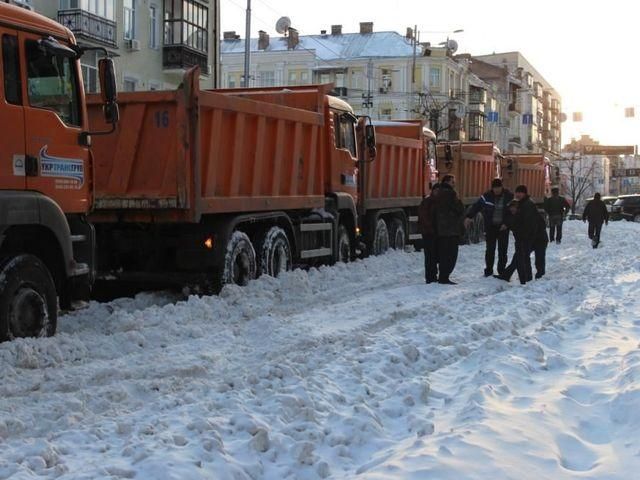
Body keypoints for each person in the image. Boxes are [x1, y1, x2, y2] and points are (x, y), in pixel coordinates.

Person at [464, 178, 513, 277]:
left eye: (498, 188)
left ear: (501, 187)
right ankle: (489, 270)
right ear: (492, 188)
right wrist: (469, 216)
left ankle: (501, 270)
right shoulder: (486, 197)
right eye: (495, 188)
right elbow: (476, 206)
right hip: (491, 227)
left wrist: (507, 224)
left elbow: (512, 213)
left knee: (503, 250)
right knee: (490, 249)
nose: (497, 190)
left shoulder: (509, 197)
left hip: (503, 228)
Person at [495, 186, 540, 284]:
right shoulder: (522, 203)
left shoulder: (527, 205)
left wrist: (523, 234)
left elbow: (527, 223)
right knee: (521, 258)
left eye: (520, 192)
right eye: (517, 192)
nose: (518, 194)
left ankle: (525, 280)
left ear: (524, 193)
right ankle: (518, 277)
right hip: (523, 236)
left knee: (522, 259)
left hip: (525, 237)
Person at [434, 174, 465, 285]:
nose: (454, 184)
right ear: (448, 182)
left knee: (442, 254)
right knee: (451, 255)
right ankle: (445, 277)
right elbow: (459, 209)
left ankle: (442, 275)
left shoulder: (437, 193)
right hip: (451, 229)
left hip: (440, 229)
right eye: (453, 182)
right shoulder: (451, 194)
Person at [417, 183, 441, 283]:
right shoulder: (427, 202)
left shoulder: (440, 202)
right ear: (433, 190)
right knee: (430, 256)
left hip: (437, 232)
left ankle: (433, 275)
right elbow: (423, 216)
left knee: (435, 255)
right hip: (429, 232)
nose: (438, 193)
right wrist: (430, 228)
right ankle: (430, 277)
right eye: (436, 190)